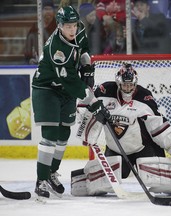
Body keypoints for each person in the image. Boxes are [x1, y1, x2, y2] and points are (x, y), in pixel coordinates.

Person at [71, 63, 171, 196]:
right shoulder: (104, 91)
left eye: (130, 85)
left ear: (135, 83)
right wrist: (91, 113)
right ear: (118, 83)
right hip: (115, 149)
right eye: (124, 84)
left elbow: (158, 127)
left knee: (154, 174)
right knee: (108, 179)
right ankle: (82, 179)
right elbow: (83, 107)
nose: (127, 88)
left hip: (141, 147)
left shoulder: (144, 97)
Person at [31, 5, 102, 200]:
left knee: (63, 134)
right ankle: (41, 181)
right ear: (60, 26)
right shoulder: (57, 49)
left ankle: (52, 173)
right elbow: (69, 81)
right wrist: (93, 101)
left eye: (74, 26)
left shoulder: (78, 32)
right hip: (47, 89)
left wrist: (87, 66)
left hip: (65, 89)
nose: (72, 30)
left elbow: (84, 50)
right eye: (68, 26)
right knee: (51, 134)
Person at [24, 0, 57, 64]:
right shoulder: (35, 28)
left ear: (54, 11)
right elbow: (28, 52)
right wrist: (30, 60)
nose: (48, 12)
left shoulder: (58, 28)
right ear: (40, 11)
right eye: (45, 9)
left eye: (50, 9)